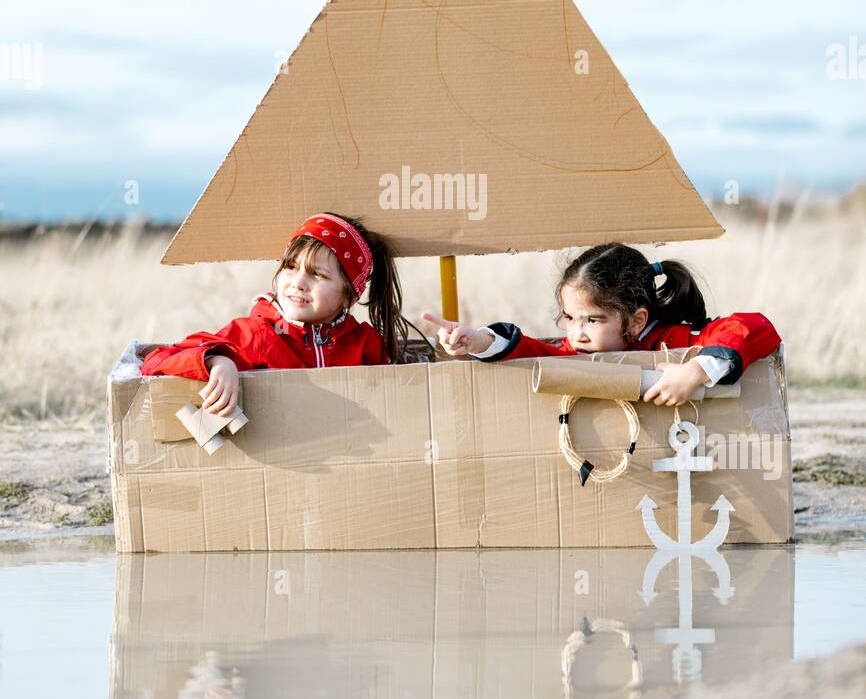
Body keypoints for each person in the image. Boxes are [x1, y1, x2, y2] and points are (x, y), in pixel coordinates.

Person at [423, 242, 780, 407]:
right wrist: (480, 340)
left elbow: (756, 327)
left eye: (593, 319)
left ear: (637, 319)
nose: (577, 332)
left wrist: (696, 371)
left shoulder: (673, 342)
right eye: (570, 318)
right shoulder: (575, 351)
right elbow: (534, 354)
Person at [140, 213, 408, 414]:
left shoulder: (365, 343)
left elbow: (411, 389)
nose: (299, 282)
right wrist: (216, 361)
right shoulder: (255, 335)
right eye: (291, 267)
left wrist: (451, 351)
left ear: (348, 295)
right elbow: (155, 361)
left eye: (317, 274)